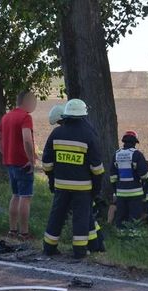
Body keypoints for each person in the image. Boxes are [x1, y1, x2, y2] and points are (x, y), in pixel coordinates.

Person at [41, 99, 105, 259]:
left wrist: (52, 180)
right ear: (83, 114)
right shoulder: (89, 135)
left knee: (57, 215)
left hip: (61, 185)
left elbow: (47, 163)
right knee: (81, 218)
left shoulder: (56, 133)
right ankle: (79, 251)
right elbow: (97, 168)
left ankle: (49, 247)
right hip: (83, 188)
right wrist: (96, 189)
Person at [0, 90, 37, 240]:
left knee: (16, 195)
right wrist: (31, 160)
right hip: (23, 164)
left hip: (10, 163)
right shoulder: (26, 117)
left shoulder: (6, 116)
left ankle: (12, 231)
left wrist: (6, 153)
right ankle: (24, 233)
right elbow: (27, 140)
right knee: (25, 197)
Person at [110, 131, 148, 227]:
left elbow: (112, 177)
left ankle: (120, 236)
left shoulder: (116, 154)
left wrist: (116, 191)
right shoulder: (137, 154)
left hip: (120, 193)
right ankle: (133, 238)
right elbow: (144, 175)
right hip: (135, 193)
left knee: (121, 217)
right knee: (134, 218)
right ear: (135, 142)